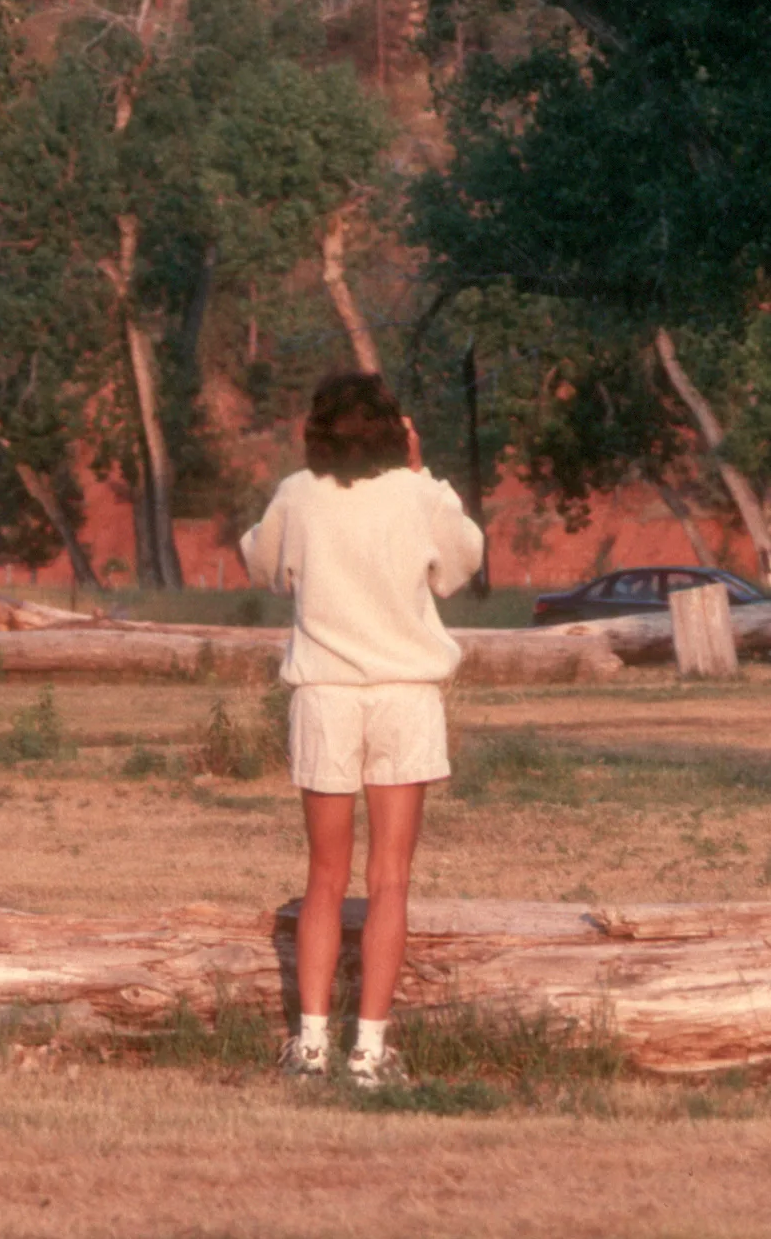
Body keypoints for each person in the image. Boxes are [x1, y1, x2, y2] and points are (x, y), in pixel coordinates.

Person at [240, 367, 486, 1086]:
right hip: (405, 697)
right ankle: (371, 1052)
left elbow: (260, 562)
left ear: (314, 432)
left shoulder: (297, 494)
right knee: (390, 881)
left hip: (324, 694)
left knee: (324, 878)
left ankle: (310, 1046)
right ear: (396, 431)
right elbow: (461, 564)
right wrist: (425, 471)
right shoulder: (418, 495)